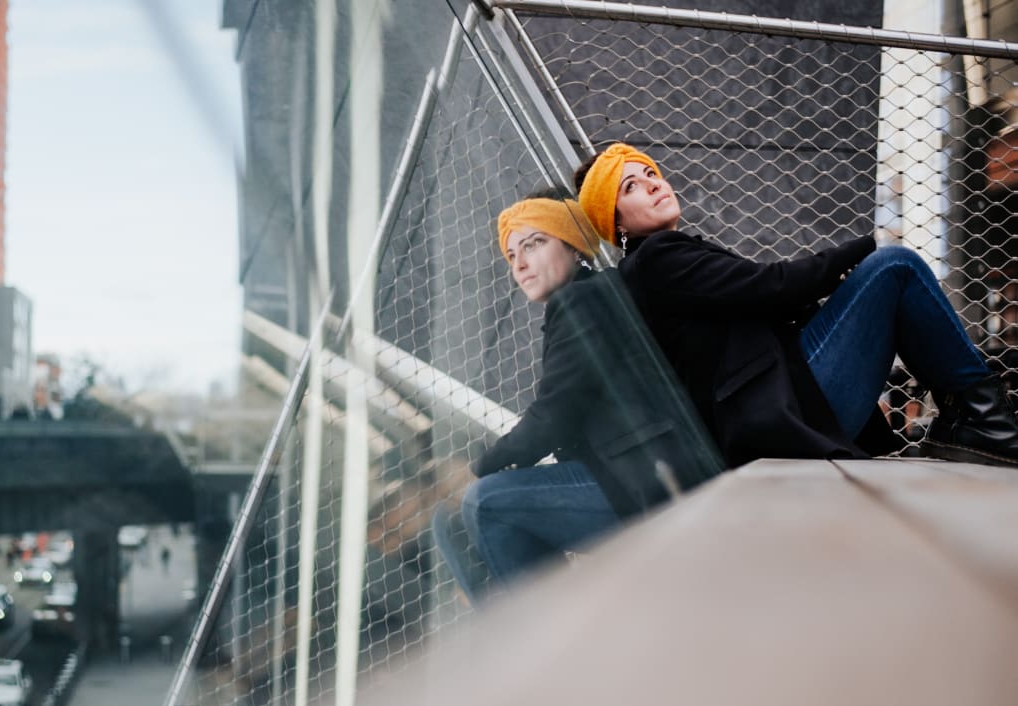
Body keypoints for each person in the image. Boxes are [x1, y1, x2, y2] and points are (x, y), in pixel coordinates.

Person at [576, 142, 1018, 468]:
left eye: (650, 173)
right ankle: (984, 421)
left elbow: (766, 297)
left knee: (890, 273)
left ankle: (973, 418)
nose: (653, 184)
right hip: (786, 415)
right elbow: (773, 285)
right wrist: (863, 247)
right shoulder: (655, 260)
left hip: (787, 401)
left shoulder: (659, 262)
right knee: (894, 266)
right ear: (614, 220)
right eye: (631, 186)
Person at [432, 189, 624, 595]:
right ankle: (540, 630)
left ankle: (539, 636)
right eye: (511, 254)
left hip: (636, 481)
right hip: (621, 473)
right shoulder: (584, 299)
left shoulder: (582, 301)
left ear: (574, 247)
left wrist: (478, 470)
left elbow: (553, 415)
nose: (519, 263)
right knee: (455, 520)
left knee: (484, 501)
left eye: (534, 244)